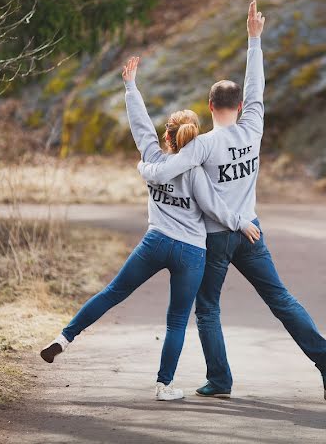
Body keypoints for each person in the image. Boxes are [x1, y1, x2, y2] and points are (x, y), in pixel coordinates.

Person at [137, 0, 326, 401]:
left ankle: (221, 381)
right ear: (241, 107)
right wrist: (254, 40)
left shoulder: (202, 145)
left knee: (207, 308)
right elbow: (257, 85)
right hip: (251, 230)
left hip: (216, 236)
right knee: (280, 298)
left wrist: (145, 169)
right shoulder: (254, 127)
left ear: (210, 107)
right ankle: (325, 357)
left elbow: (166, 172)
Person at [40, 56, 261, 402]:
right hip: (191, 253)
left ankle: (65, 337)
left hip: (155, 242)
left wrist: (130, 87)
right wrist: (241, 222)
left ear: (168, 136)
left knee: (112, 292)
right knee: (175, 321)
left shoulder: (152, 158)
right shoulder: (196, 171)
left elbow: (140, 126)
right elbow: (216, 208)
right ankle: (164, 385)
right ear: (194, 136)